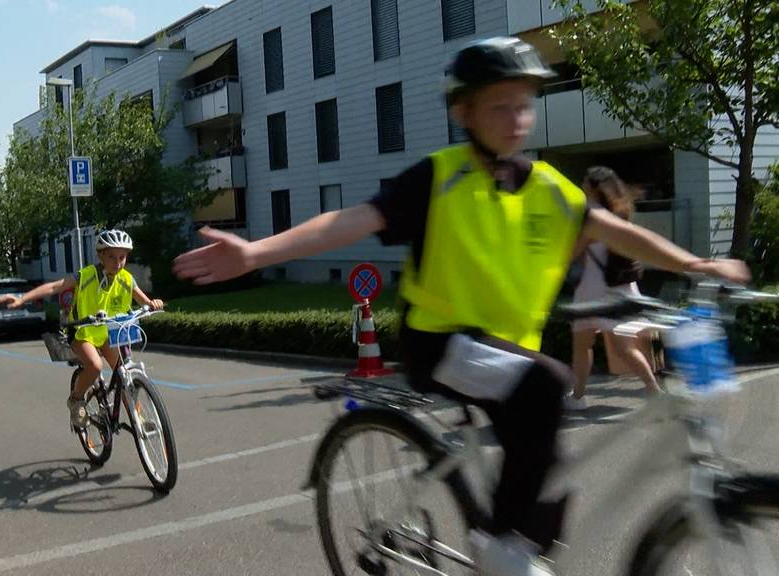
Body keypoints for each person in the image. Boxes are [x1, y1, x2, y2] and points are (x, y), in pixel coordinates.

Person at [172, 37, 749, 576]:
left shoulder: (548, 187)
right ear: (463, 112)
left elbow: (613, 231)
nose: (516, 118)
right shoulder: (438, 179)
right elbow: (350, 221)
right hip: (440, 342)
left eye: (524, 105)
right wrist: (257, 253)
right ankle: (498, 545)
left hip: (504, 352)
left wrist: (695, 265)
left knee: (549, 472)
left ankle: (512, 543)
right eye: (499, 106)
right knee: (546, 389)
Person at [0, 229, 164, 428]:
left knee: (123, 373)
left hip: (110, 333)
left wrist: (152, 304)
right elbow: (54, 287)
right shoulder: (86, 276)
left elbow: (142, 299)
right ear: (101, 255)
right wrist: (21, 299)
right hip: (81, 332)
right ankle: (76, 399)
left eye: (122, 257)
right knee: (95, 366)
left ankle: (138, 419)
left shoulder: (126, 278)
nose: (117, 262)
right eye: (112, 256)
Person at [566, 167, 660, 411]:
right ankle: (653, 390)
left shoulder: (593, 218)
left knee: (582, 345)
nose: (582, 189)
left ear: (595, 189)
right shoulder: (621, 215)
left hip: (592, 289)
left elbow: (572, 254)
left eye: (585, 185)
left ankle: (577, 397)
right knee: (625, 348)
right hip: (620, 286)